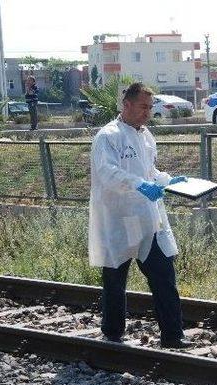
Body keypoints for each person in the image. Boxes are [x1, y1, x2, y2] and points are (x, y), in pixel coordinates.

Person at [88, 82, 190, 349]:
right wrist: (139, 185)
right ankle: (112, 333)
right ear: (127, 105)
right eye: (143, 107)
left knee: (163, 274)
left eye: (150, 107)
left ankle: (173, 335)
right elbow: (107, 173)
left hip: (147, 218)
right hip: (120, 218)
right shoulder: (108, 136)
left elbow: (149, 171)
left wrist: (167, 181)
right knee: (115, 278)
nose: (147, 112)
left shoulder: (146, 136)